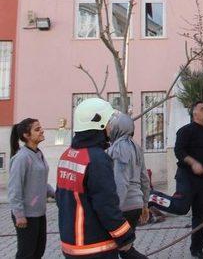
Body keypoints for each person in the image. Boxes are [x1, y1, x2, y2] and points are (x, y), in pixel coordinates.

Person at [56, 98, 142, 258]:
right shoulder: (97, 159)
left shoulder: (66, 155)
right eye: (108, 121)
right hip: (94, 246)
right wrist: (126, 238)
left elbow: (60, 199)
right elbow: (106, 205)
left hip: (71, 244)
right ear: (99, 124)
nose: (111, 127)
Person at [147, 101, 203, 259]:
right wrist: (193, 163)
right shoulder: (185, 131)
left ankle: (197, 250)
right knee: (181, 207)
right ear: (195, 114)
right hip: (187, 176)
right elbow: (179, 151)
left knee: (201, 216)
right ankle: (152, 197)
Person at [8, 118, 55, 259]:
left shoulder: (38, 154)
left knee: (38, 251)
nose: (42, 130)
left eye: (40, 127)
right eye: (37, 129)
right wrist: (19, 214)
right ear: (26, 135)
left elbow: (40, 181)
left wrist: (55, 194)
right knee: (26, 254)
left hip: (39, 213)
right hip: (26, 215)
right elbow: (14, 188)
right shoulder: (22, 158)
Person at [105, 113, 151, 258]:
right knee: (125, 248)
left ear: (119, 128)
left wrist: (115, 210)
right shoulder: (136, 147)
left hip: (123, 205)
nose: (109, 129)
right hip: (135, 204)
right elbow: (144, 179)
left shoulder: (119, 148)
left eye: (111, 125)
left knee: (124, 249)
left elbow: (121, 180)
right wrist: (144, 205)